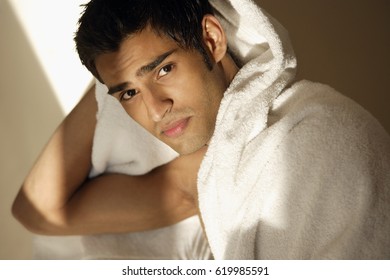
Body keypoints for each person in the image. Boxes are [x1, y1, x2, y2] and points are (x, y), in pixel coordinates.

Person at [13, 0, 390, 259]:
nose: (156, 110)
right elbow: (38, 209)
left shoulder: (316, 140)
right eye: (128, 93)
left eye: (163, 69)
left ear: (212, 39)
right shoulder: (211, 171)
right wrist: (106, 82)